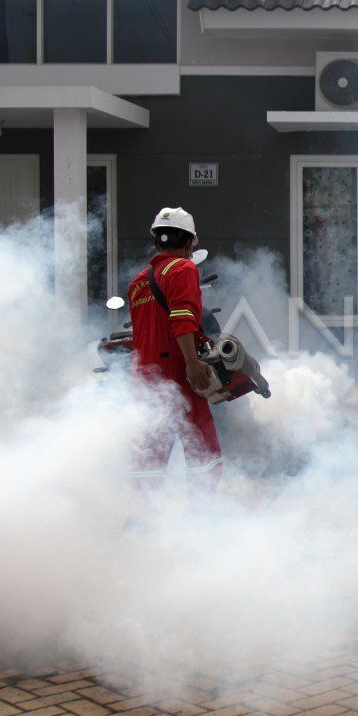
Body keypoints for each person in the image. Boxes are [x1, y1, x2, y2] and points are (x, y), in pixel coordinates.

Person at [127, 207, 222, 498]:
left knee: (151, 450)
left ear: (157, 241)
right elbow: (182, 320)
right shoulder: (183, 269)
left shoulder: (138, 281)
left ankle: (142, 519)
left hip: (146, 376)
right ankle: (201, 513)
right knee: (203, 446)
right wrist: (193, 365)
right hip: (177, 372)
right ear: (190, 242)